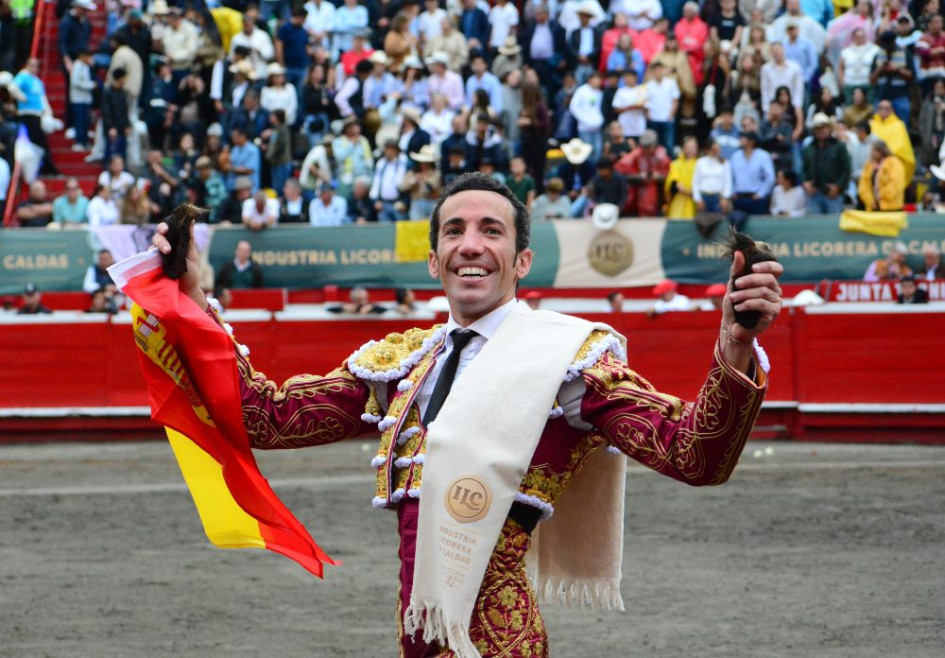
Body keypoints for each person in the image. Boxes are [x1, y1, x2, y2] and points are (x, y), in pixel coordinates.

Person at [150, 172, 782, 656]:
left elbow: (693, 454)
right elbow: (268, 417)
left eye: (491, 230)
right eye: (454, 231)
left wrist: (733, 344)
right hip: (418, 630)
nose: (470, 245)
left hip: (498, 641)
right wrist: (193, 297)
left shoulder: (566, 361)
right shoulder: (402, 363)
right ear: (434, 261)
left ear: (522, 262)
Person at [802, 113, 851, 214]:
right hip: (814, 193)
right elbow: (803, 169)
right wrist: (805, 183)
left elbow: (846, 169)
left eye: (824, 127)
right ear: (814, 130)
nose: (821, 130)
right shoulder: (808, 148)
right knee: (814, 226)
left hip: (833, 193)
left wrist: (838, 187)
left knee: (833, 225)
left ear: (829, 128)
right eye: (818, 127)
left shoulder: (839, 147)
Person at [858, 139, 905, 211]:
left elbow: (895, 184)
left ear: (881, 151)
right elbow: (863, 185)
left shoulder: (894, 163)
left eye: (874, 151)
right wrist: (870, 200)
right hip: (873, 207)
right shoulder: (869, 165)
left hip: (891, 207)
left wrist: (880, 196)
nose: (871, 153)